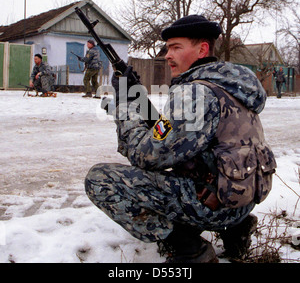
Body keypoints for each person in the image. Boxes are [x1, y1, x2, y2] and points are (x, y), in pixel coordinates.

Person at [84, 15, 277, 263]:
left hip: (214, 204)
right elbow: (169, 132)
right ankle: (238, 228)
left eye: (176, 47)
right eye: (167, 48)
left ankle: (191, 249)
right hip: (242, 200)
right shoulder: (230, 85)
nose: (167, 54)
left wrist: (125, 103)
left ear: (202, 49)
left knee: (100, 180)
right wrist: (139, 100)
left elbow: (145, 155)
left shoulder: (195, 93)